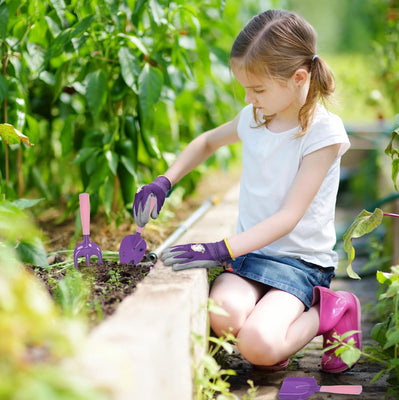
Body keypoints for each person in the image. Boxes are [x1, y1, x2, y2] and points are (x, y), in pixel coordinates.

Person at [133, 9, 361, 373]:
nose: (248, 97)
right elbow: (207, 142)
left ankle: (332, 310)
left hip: (300, 264)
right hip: (251, 256)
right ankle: (279, 331)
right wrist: (165, 181)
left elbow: (288, 218)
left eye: (257, 89)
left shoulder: (323, 134)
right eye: (245, 88)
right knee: (224, 318)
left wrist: (218, 249)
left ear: (299, 78)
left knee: (257, 346)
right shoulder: (255, 118)